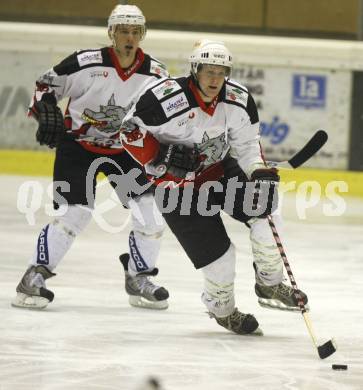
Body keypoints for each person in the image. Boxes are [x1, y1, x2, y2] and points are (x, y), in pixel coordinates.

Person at [119, 40, 308, 335]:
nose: (214, 80)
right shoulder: (164, 98)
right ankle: (223, 310)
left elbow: (246, 146)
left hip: (218, 171)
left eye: (221, 73)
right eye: (208, 72)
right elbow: (129, 132)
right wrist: (160, 157)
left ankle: (269, 283)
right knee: (222, 260)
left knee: (267, 210)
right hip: (176, 190)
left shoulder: (238, 99)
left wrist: (257, 170)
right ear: (194, 70)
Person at [12, 4, 170, 310]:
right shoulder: (85, 62)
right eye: (123, 30)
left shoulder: (157, 74)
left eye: (136, 31)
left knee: (149, 212)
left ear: (143, 34)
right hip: (78, 146)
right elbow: (45, 86)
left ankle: (139, 276)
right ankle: (34, 276)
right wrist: (45, 111)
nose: (129, 37)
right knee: (76, 212)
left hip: (125, 152)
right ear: (111, 33)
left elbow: (166, 114)